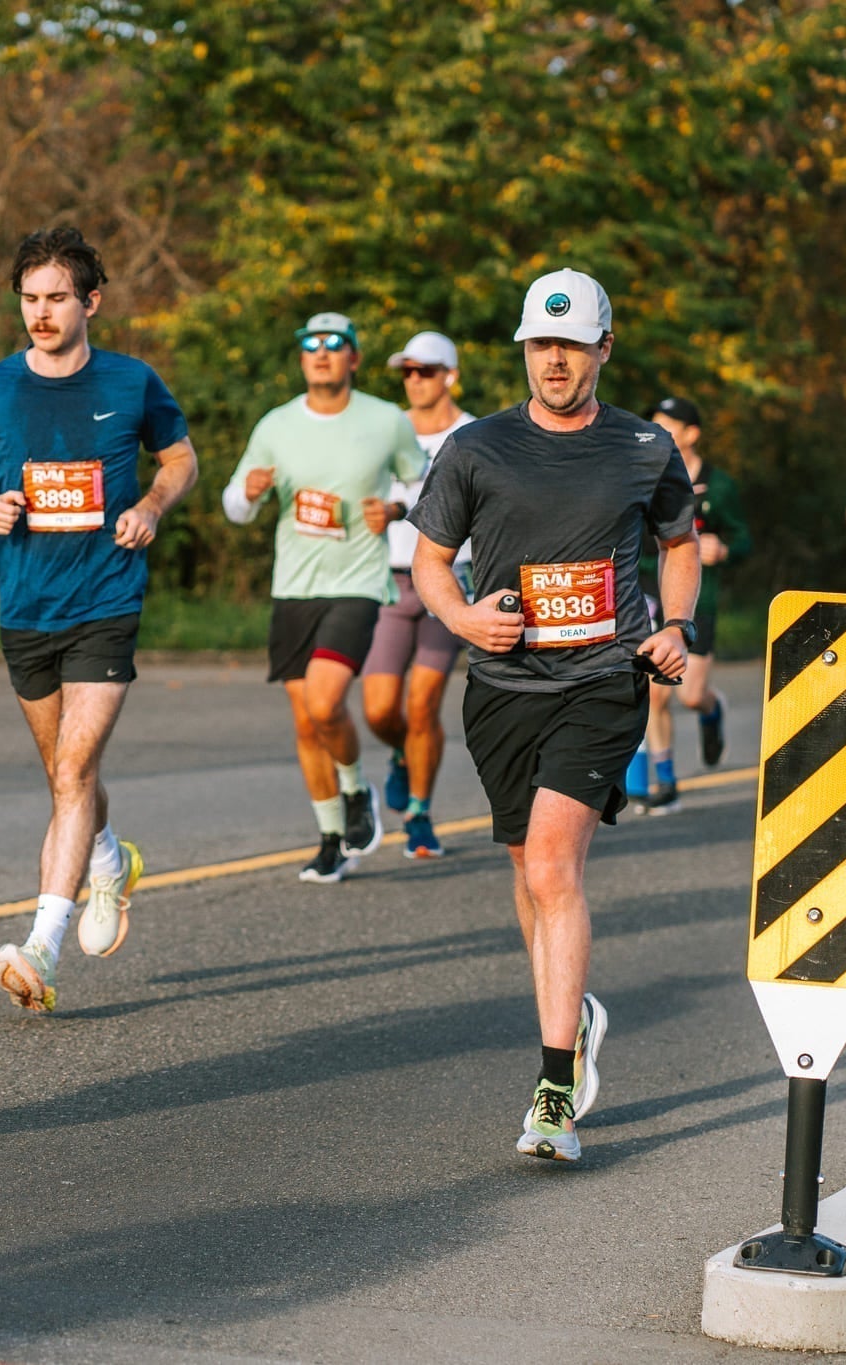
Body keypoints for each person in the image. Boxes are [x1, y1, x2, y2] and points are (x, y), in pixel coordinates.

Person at [410, 268, 698, 1163]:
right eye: (542, 344)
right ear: (525, 351)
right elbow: (429, 560)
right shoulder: (473, 448)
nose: (556, 360)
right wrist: (461, 617)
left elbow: (678, 546)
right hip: (501, 690)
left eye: (572, 344)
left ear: (604, 348)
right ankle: (573, 1014)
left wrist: (676, 625)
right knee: (527, 876)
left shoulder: (647, 447)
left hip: (603, 682)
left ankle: (554, 1092)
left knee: (551, 863)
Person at [0, 227, 198, 1011]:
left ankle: (41, 948)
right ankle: (109, 859)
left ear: (91, 301)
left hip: (106, 601)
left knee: (71, 773)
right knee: (66, 773)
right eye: (29, 298)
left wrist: (153, 506)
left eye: (57, 297)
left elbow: (180, 457)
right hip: (25, 605)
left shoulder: (131, 383)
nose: (41, 312)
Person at [222, 314, 427, 881]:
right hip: (294, 587)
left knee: (324, 701)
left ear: (353, 358)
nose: (321, 353)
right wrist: (249, 492)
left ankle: (357, 788)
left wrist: (395, 509)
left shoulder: (386, 421)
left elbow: (425, 482)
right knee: (306, 724)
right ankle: (332, 836)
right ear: (301, 358)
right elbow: (234, 507)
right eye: (310, 345)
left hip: (358, 583)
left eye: (334, 345)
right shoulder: (276, 425)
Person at [361, 331, 475, 858]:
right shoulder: (386, 430)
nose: (414, 381)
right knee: (380, 709)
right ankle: (404, 756)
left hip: (449, 579)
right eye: (406, 372)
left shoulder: (474, 435)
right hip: (388, 578)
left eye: (425, 371)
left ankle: (420, 815)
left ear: (450, 375)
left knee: (423, 702)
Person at [628, 396, 751, 812]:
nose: (657, 432)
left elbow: (744, 538)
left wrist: (724, 549)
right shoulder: (641, 478)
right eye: (654, 424)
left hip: (699, 601)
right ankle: (665, 782)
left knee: (690, 695)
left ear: (692, 433)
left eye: (668, 426)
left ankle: (712, 709)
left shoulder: (719, 486)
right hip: (648, 596)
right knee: (655, 692)